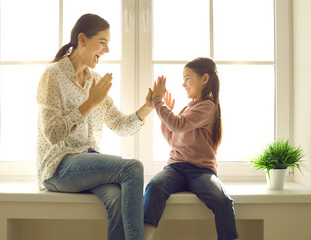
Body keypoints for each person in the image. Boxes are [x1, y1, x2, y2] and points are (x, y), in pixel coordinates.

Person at [36, 14, 153, 240]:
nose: (107, 50)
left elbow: (120, 125)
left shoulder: (96, 81)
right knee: (132, 167)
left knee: (118, 199)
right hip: (58, 166)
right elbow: (52, 134)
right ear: (82, 39)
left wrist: (147, 107)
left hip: (87, 164)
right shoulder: (53, 76)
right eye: (102, 42)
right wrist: (90, 103)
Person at [143, 57, 239, 240]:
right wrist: (166, 115)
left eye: (187, 78)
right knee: (154, 186)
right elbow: (173, 138)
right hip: (176, 168)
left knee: (222, 200)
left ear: (204, 79)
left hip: (201, 171)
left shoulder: (207, 107)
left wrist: (158, 102)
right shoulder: (188, 108)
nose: (183, 84)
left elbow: (178, 125)